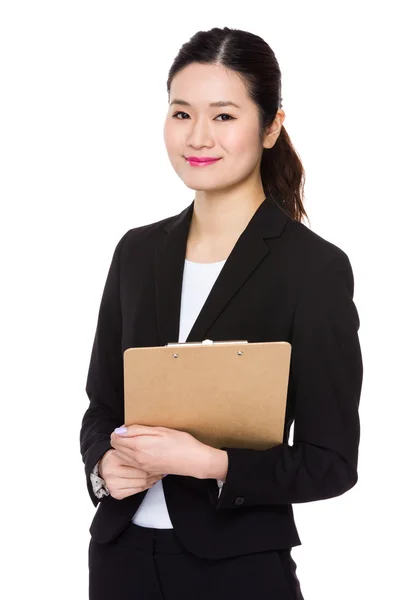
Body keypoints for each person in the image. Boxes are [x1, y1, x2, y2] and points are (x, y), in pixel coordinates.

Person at [80, 26, 363, 600]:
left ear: (271, 126)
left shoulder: (313, 269)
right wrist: (102, 469)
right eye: (181, 114)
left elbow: (330, 462)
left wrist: (213, 462)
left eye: (225, 116)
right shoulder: (136, 252)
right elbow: (102, 409)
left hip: (235, 569)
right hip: (120, 561)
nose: (198, 136)